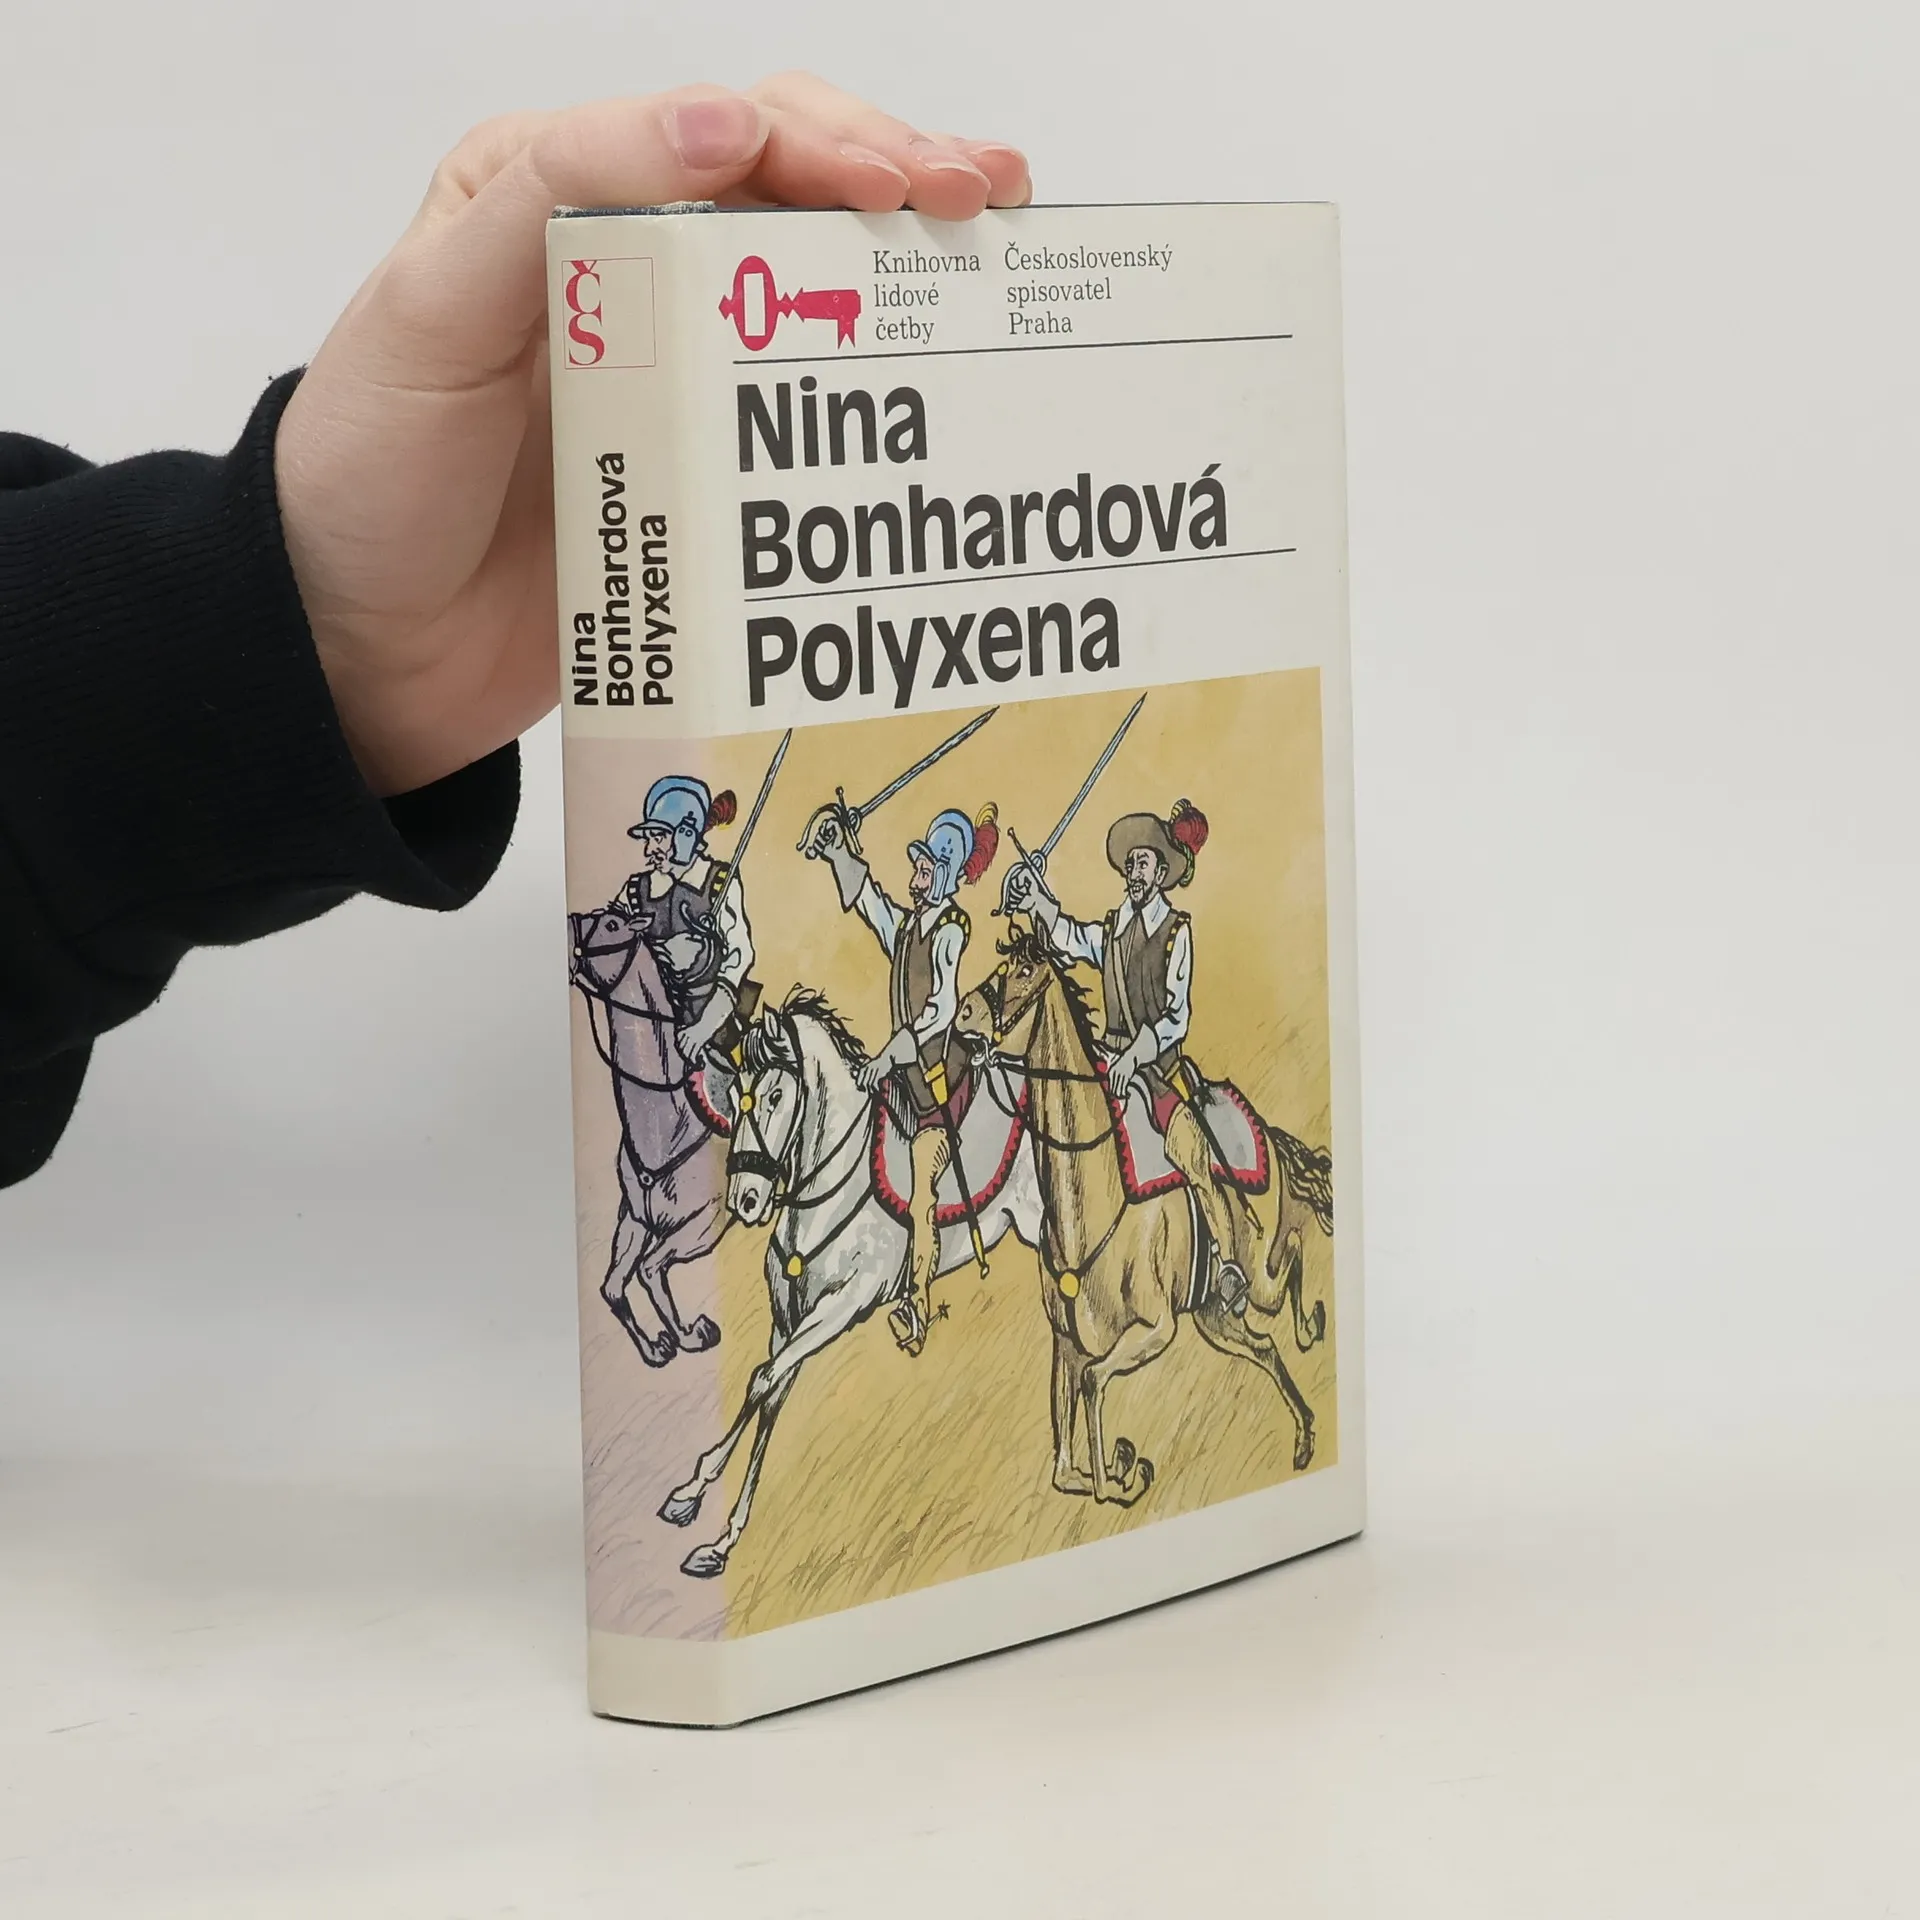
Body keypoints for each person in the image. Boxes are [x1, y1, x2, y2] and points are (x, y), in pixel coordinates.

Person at [0, 77, 1032, 1190]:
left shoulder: (897, 925)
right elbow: (830, 910)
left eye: (930, 861)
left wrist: (308, 628)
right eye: (664, 833)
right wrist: (303, 622)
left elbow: (761, 962)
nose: (664, 846)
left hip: (887, 1038)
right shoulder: (682, 887)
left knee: (879, 1124)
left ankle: (928, 1232)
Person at [1002, 800, 1253, 1312]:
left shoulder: (1177, 932)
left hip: (1158, 1071)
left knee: (1190, 1149)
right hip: (1108, 1063)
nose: (1134, 872)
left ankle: (1227, 1261)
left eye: (1143, 864)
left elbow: (1177, 1017)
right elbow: (1071, 938)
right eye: (1131, 863)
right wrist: (1037, 901)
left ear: (1161, 873)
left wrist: (1136, 1056)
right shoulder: (1114, 928)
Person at [809, 803, 998, 1352]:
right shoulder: (910, 924)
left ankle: (915, 1304)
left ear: (944, 873)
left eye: (924, 869)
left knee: (919, 1198)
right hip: (901, 1081)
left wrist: (889, 1055)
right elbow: (871, 903)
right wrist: (838, 850)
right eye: (916, 867)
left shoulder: (950, 930)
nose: (914, 877)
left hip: (937, 1087)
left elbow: (941, 1008)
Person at [617, 775, 753, 1065]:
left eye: (658, 837)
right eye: (648, 839)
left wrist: (702, 1029)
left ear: (685, 835)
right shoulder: (634, 891)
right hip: (648, 1039)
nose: (648, 849)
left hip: (710, 1034)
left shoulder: (720, 883)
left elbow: (739, 959)